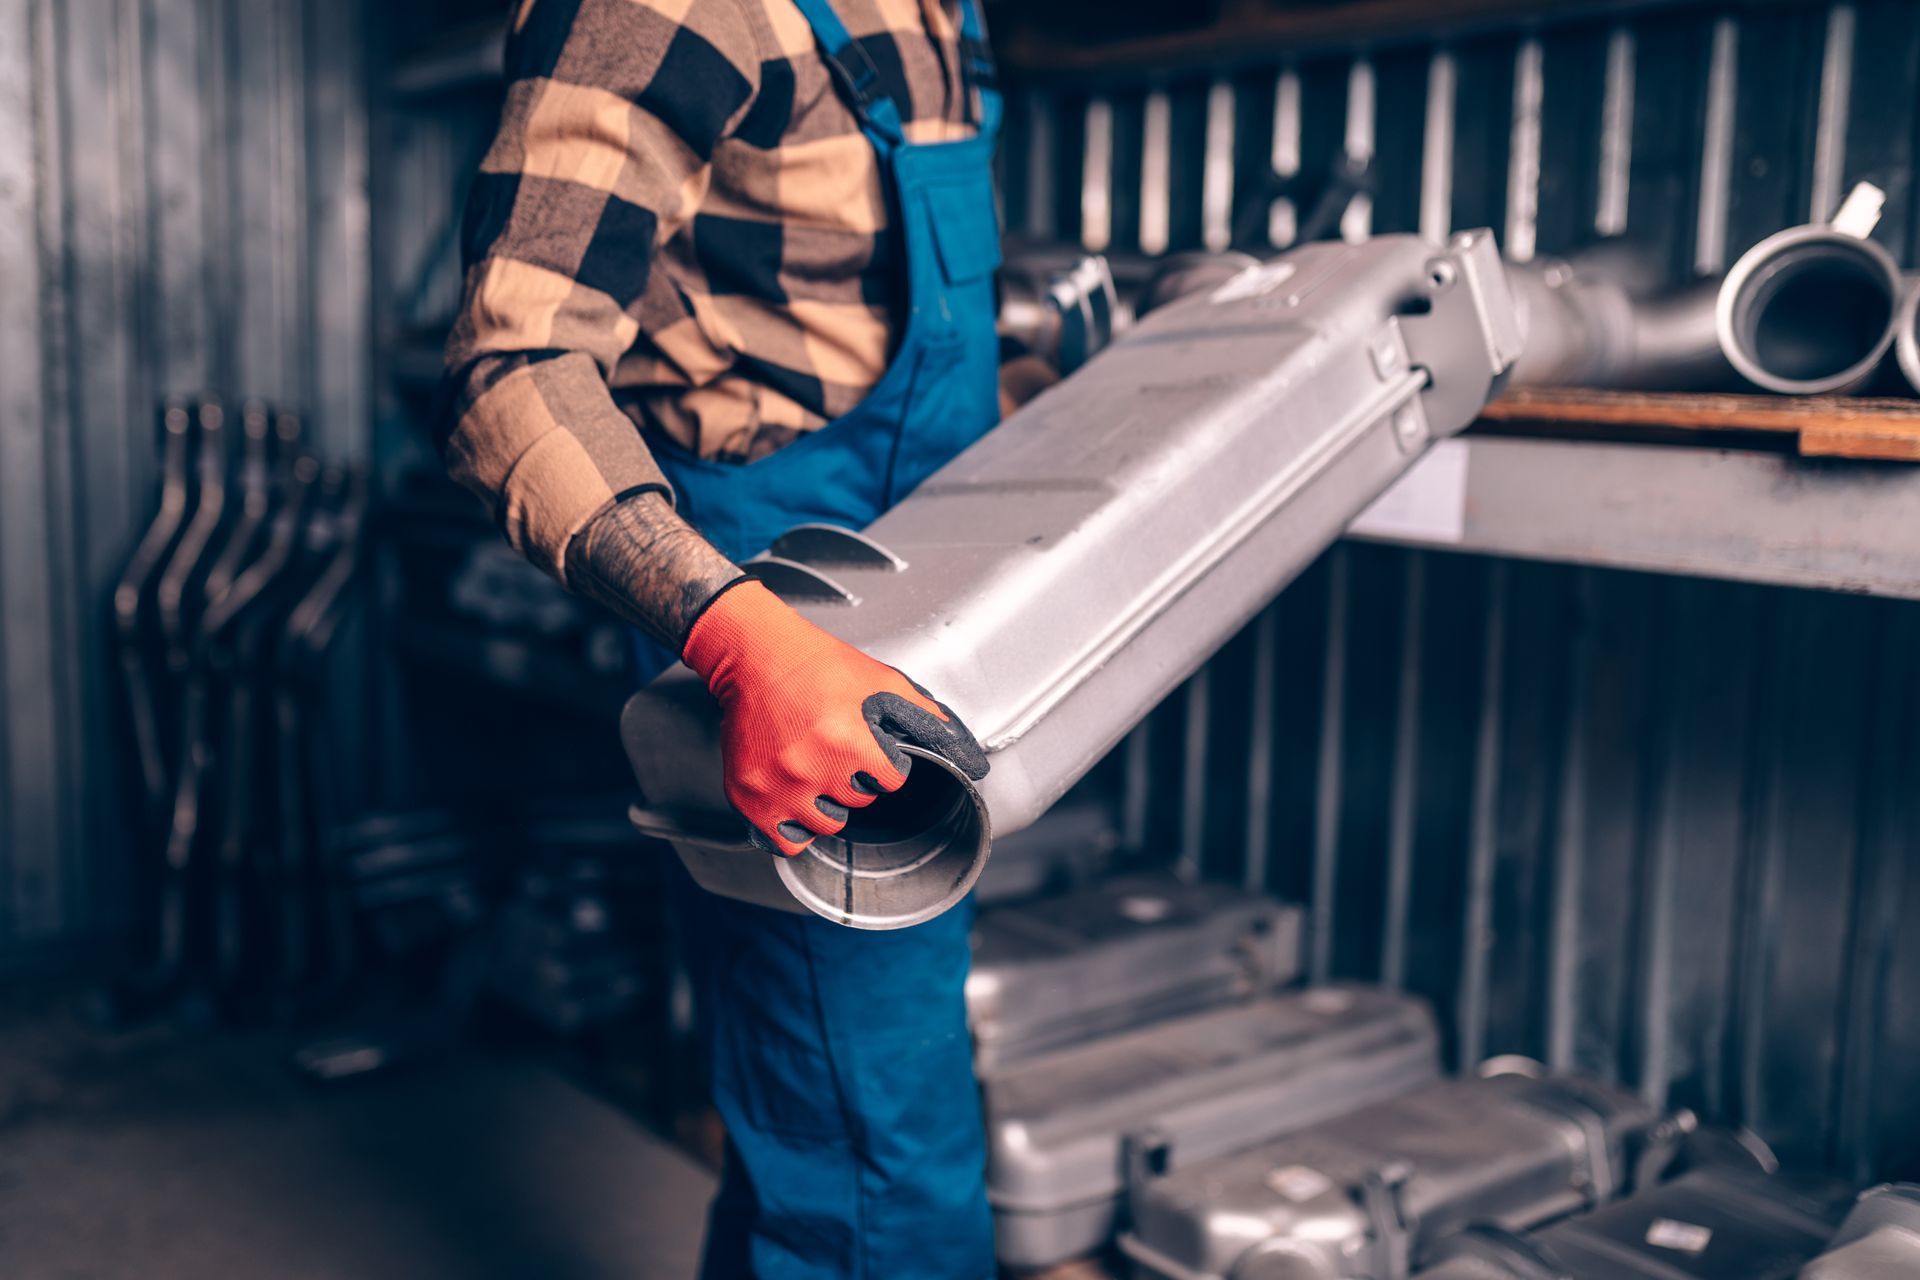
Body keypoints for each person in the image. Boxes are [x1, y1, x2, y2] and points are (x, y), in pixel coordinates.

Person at [439, 1, 1008, 1275]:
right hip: (780, 608)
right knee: (878, 1154)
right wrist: (744, 644)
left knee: (825, 1122)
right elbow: (510, 361)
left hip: (935, 582)